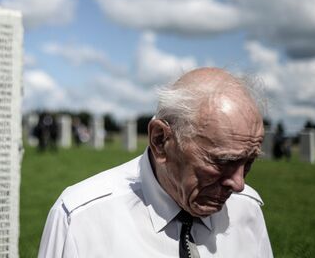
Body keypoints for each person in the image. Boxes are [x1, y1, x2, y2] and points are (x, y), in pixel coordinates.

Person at [38, 68, 273, 257]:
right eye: (222, 161)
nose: (239, 184)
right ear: (161, 140)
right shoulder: (81, 217)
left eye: (249, 162)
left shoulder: (247, 209)